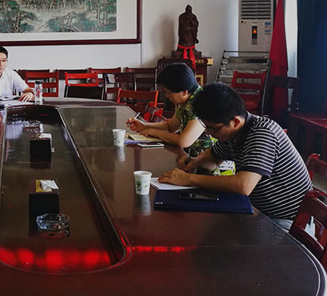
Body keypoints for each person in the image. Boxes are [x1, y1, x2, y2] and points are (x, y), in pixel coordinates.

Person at [159, 82, 312, 228]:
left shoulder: (263, 133)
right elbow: (213, 159)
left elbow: (243, 185)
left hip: (284, 221)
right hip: (256, 209)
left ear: (235, 122)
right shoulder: (233, 133)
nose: (209, 133)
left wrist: (188, 179)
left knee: (210, 235)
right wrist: (195, 161)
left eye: (212, 128)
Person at [127, 63, 214, 155]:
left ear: (184, 92)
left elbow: (183, 141)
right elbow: (170, 127)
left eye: (169, 93)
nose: (167, 96)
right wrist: (144, 125)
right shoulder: (185, 99)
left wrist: (155, 133)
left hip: (206, 160)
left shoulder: (200, 103)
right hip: (189, 156)